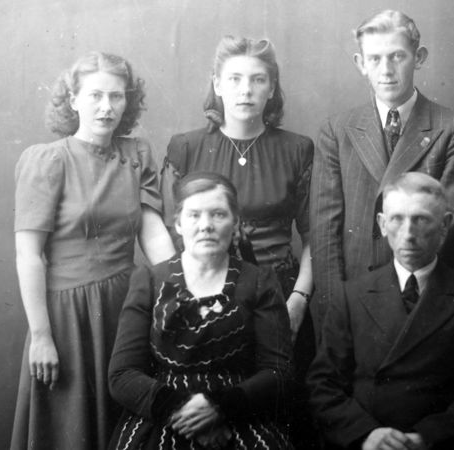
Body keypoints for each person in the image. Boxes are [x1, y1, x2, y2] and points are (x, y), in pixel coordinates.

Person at [10, 52, 175, 450]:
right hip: (67, 317)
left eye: (116, 96)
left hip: (126, 307)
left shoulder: (136, 155)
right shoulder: (47, 160)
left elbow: (153, 233)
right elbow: (29, 255)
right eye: (95, 95)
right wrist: (41, 336)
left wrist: (179, 289)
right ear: (73, 99)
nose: (106, 107)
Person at [159, 35, 316, 447]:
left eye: (258, 80)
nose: (246, 90)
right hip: (205, 295)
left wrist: (299, 299)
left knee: (275, 413)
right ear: (217, 84)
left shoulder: (298, 149)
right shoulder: (187, 147)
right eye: (234, 79)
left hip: (280, 294)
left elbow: (315, 237)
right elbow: (173, 235)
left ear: (272, 87)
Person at [308, 172, 454, 450]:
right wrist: (365, 434)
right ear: (382, 224)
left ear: (444, 225)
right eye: (397, 219)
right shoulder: (351, 296)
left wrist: (427, 436)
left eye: (421, 219)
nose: (408, 235)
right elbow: (323, 383)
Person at [309, 10, 454, 338]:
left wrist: (406, 295)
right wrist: (334, 311)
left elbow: (451, 225)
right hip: (355, 301)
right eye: (374, 59)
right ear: (360, 63)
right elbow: (324, 231)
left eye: (397, 56)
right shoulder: (338, 130)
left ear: (419, 57)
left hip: (424, 299)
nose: (386, 70)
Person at [108, 172, 293, 449]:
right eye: (194, 215)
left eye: (218, 214)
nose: (206, 225)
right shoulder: (149, 280)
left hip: (240, 413)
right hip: (162, 414)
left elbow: (279, 372)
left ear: (235, 222)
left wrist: (221, 408)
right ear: (179, 224)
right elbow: (122, 374)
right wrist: (180, 411)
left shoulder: (259, 281)